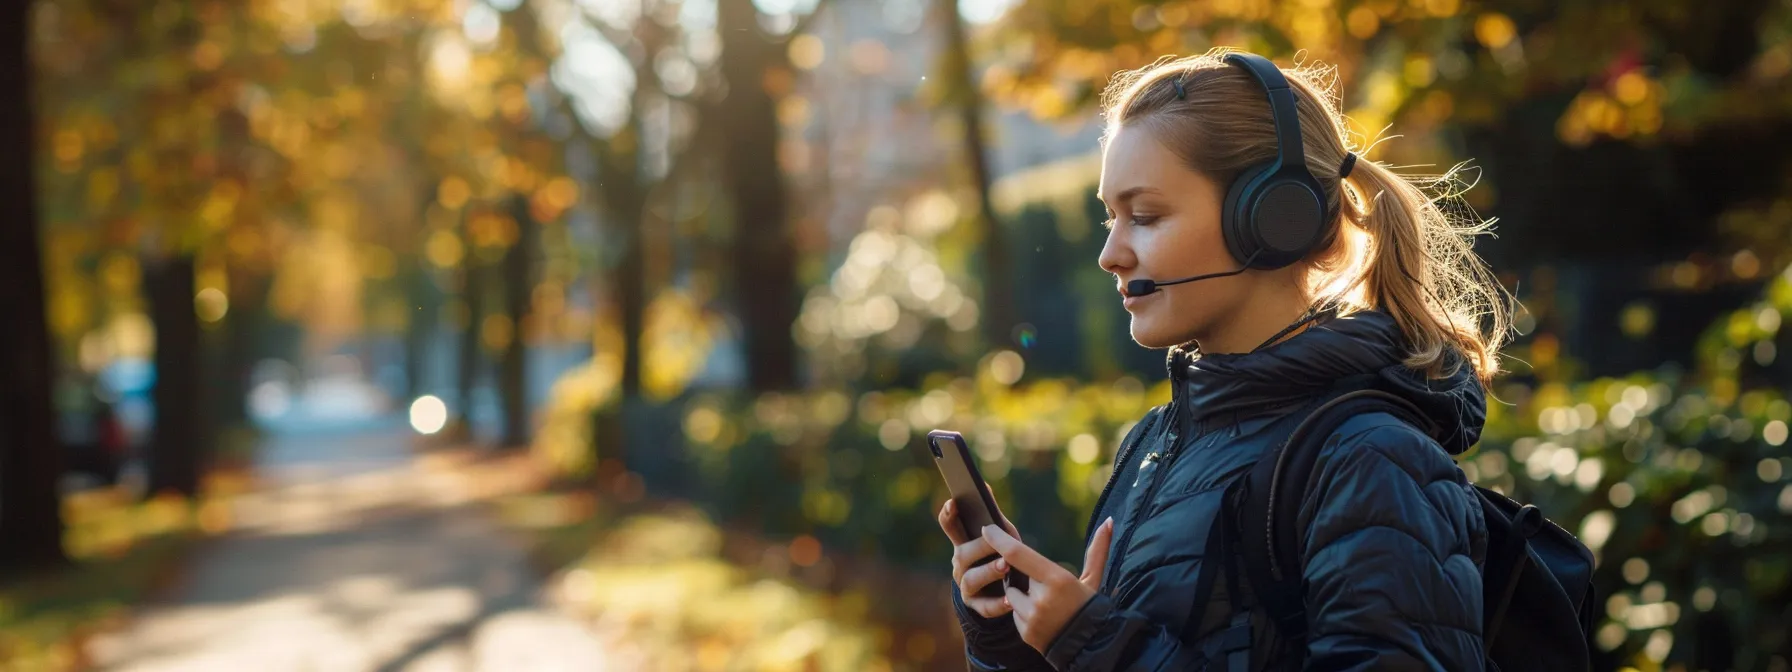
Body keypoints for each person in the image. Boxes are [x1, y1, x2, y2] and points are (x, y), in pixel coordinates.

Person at [936, 48, 1511, 670]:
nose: (1110, 254)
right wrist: (1012, 636)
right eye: (1110, 217)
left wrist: (1097, 644)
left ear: (1272, 220)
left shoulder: (1371, 461)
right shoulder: (1155, 442)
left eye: (1145, 216)